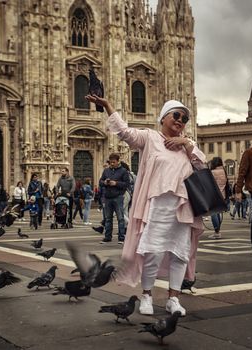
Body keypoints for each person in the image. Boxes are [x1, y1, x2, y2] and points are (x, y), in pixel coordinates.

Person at [86, 94, 205, 317]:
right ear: (163, 118)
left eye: (185, 118)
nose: (180, 120)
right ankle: (147, 295)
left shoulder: (187, 145)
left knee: (180, 254)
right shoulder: (150, 138)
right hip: (157, 205)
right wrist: (108, 106)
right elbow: (124, 133)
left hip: (183, 206)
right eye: (176, 115)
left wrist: (186, 143)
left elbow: (201, 164)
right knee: (154, 252)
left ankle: (174, 298)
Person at [98, 153, 130, 244]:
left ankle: (121, 237)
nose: (112, 164)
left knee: (120, 218)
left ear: (118, 161)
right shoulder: (106, 171)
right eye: (110, 162)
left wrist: (116, 183)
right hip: (108, 197)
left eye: (113, 162)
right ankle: (107, 237)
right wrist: (104, 182)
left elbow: (126, 184)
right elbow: (100, 181)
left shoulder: (123, 171)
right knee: (108, 218)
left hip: (118, 197)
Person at [208, 157, 228, 239]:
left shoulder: (212, 172)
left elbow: (209, 184)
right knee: (218, 213)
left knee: (213, 213)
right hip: (222, 194)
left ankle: (217, 232)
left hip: (214, 195)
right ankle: (217, 231)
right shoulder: (224, 171)